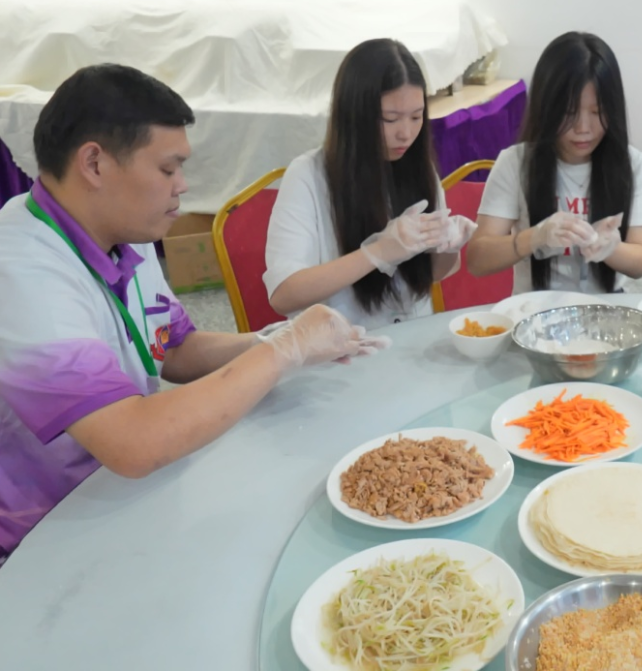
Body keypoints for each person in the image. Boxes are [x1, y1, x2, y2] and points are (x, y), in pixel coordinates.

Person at [0, 64, 385, 563]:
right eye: (168, 169)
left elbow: (175, 348)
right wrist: (282, 352)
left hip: (123, 501)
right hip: (42, 540)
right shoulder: (22, 269)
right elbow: (132, 442)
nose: (182, 185)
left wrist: (277, 339)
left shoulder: (123, 233)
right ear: (94, 164)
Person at [264, 39, 472, 327]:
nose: (406, 133)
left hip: (411, 337)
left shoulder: (419, 169)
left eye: (416, 116)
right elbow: (284, 294)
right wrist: (377, 253)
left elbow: (432, 274)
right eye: (390, 119)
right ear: (354, 114)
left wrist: (448, 245)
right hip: (340, 344)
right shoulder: (308, 176)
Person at [467, 31, 642, 294]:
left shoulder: (632, 164)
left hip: (606, 309)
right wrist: (536, 236)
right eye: (569, 112)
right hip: (535, 309)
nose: (583, 128)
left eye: (597, 112)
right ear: (546, 108)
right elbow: (477, 260)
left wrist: (611, 249)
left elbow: (641, 262)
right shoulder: (515, 163)